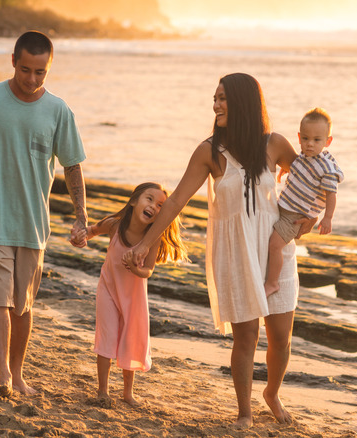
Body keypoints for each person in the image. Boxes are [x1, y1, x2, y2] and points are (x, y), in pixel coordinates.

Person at [126, 73, 314, 428]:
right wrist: (145, 243)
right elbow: (178, 199)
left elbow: (307, 175)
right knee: (246, 337)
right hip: (237, 255)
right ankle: (244, 411)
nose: (216, 105)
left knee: (281, 338)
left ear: (244, 102)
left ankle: (271, 393)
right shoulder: (209, 151)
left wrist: (308, 215)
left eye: (223, 98)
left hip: (276, 251)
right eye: (215, 98)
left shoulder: (274, 144)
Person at [0, 31, 88, 397]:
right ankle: (2, 378)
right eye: (25, 69)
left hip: (32, 225)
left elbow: (73, 167)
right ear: (13, 61)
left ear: (49, 68)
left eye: (40, 72)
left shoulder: (59, 110)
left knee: (22, 308)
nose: (31, 79)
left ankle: (17, 372)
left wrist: (81, 217)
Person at [80, 182, 187, 406]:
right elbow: (91, 231)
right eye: (149, 199)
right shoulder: (114, 225)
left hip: (134, 299)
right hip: (108, 289)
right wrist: (80, 237)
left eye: (160, 205)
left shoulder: (152, 237)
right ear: (133, 201)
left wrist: (136, 269)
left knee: (131, 341)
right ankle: (102, 391)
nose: (154, 207)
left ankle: (127, 393)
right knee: (106, 339)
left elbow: (148, 270)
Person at [264, 108, 343, 296]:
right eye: (305, 138)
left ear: (328, 141)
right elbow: (299, 168)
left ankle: (272, 283)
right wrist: (288, 170)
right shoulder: (304, 157)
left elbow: (331, 194)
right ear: (299, 137)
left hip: (295, 217)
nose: (309, 144)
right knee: (268, 242)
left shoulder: (327, 168)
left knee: (274, 246)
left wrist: (327, 218)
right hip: (282, 208)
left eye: (317, 140)